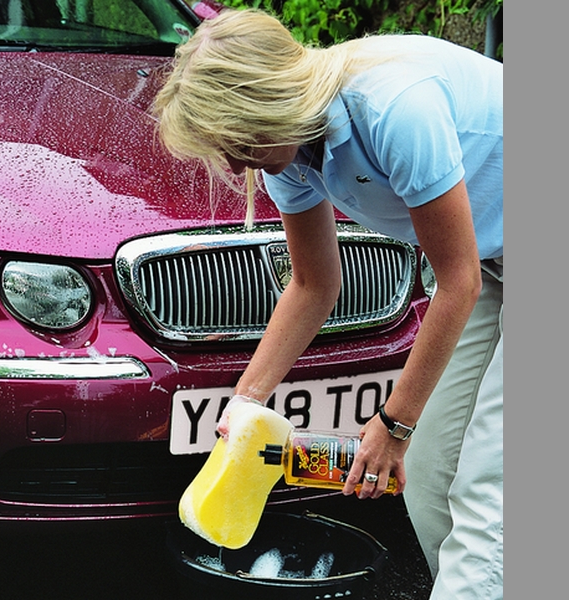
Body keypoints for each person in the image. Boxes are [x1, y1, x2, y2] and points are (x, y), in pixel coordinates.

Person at [153, 8, 502, 600]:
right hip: (496, 261)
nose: (234, 165)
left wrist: (393, 423)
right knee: (430, 481)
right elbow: (314, 284)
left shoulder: (395, 109)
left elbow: (456, 280)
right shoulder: (288, 156)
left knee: (488, 489)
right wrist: (245, 401)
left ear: (267, 102)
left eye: (235, 141)